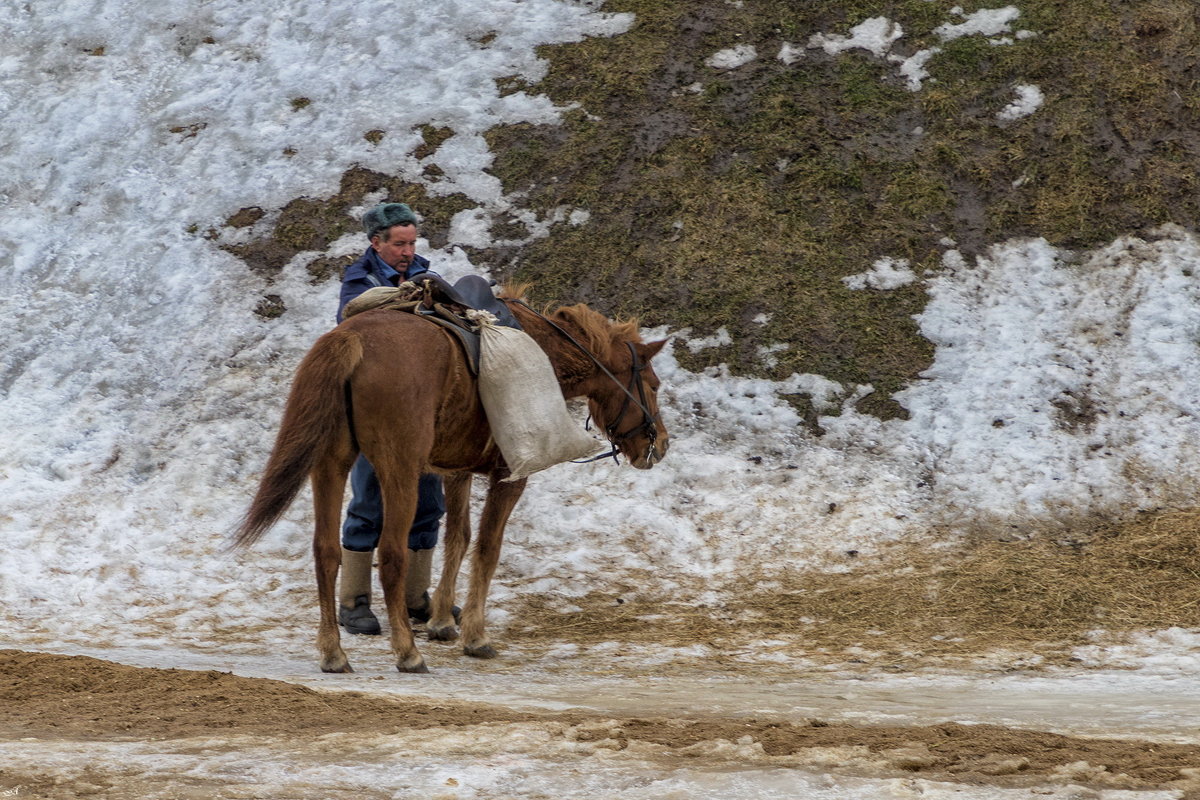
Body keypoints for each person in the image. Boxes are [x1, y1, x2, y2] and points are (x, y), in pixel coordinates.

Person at [335, 202, 448, 635]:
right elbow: (353, 320)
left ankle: (417, 597)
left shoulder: (425, 275)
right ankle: (354, 599)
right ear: (375, 243)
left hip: (421, 407)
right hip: (377, 411)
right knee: (369, 501)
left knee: (428, 500)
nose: (407, 250)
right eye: (399, 243)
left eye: (412, 241)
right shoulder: (358, 281)